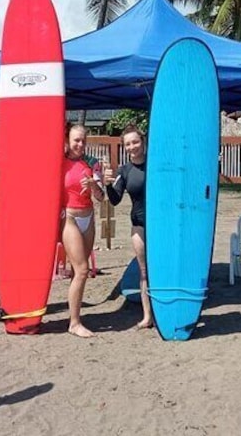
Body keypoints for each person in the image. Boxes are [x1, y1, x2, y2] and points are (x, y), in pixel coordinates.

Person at [103, 125, 153, 329]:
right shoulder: (124, 170)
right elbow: (114, 200)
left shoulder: (155, 164)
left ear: (143, 141)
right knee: (144, 272)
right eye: (128, 144)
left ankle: (163, 311)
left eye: (135, 142)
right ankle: (147, 315)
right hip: (139, 225)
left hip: (160, 225)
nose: (132, 146)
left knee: (161, 268)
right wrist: (107, 184)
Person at [61, 124, 105, 338]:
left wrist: (94, 186)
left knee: (78, 272)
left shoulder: (93, 163)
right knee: (82, 269)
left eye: (83, 141)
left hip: (88, 216)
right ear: (68, 140)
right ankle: (74, 323)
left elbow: (100, 196)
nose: (80, 144)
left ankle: (74, 316)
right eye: (76, 140)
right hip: (69, 217)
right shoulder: (58, 161)